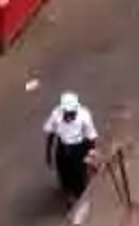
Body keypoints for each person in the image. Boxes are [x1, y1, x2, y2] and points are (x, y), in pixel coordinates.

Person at [45, 93, 100, 223]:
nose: (69, 115)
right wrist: (48, 154)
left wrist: (92, 155)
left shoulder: (84, 116)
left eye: (72, 112)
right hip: (63, 148)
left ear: (76, 109)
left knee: (79, 177)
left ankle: (81, 204)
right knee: (64, 175)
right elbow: (51, 134)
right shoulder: (56, 115)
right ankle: (69, 196)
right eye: (67, 112)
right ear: (63, 110)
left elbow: (91, 137)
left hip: (79, 148)